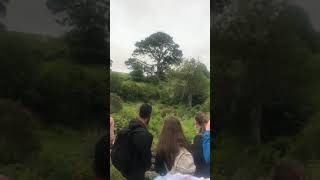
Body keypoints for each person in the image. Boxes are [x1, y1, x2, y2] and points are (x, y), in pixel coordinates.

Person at [111, 103, 153, 180]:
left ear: (139, 113)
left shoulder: (126, 128)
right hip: (135, 171)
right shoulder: (145, 135)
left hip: (123, 166)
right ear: (149, 116)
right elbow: (146, 159)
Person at [191, 112, 210, 178]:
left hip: (202, 173)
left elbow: (195, 159)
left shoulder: (198, 138)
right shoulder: (206, 135)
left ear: (197, 123)